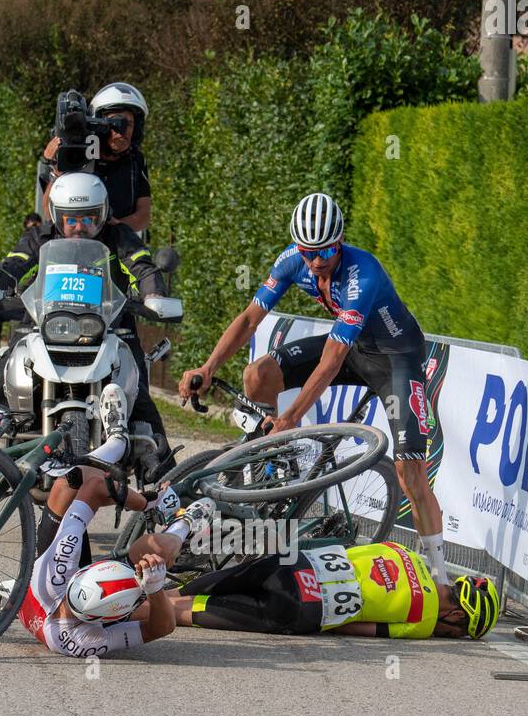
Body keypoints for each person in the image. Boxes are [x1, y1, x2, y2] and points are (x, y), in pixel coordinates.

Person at [178, 192, 450, 586]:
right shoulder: (293, 261)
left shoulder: (363, 274)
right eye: (309, 252)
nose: (318, 260)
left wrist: (289, 417)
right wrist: (207, 366)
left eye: (327, 250)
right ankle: (278, 475)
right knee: (259, 375)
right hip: (356, 347)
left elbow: (331, 361)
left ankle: (440, 579)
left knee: (411, 473)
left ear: (340, 241)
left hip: (396, 358)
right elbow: (250, 318)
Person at [0, 173, 172, 469]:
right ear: (57, 216)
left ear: (102, 214)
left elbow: (142, 266)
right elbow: (13, 264)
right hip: (43, 324)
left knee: (137, 389)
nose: (80, 226)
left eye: (89, 218)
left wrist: (154, 293)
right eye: (72, 219)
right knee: (0, 379)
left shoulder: (119, 237)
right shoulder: (38, 238)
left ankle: (162, 476)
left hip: (110, 325)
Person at [0, 468, 215, 659]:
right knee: (162, 564)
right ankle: (186, 523)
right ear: (104, 621)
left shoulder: (58, 566)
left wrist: (146, 502)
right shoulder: (78, 640)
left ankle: (162, 507)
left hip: (45, 583)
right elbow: (160, 628)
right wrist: (153, 590)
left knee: (67, 482)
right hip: (67, 613)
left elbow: (93, 485)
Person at [172, 539, 500, 640]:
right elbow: (359, 627)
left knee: (198, 588)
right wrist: (325, 623)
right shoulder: (425, 620)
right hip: (304, 608)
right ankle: (130, 610)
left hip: (291, 564)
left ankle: (144, 588)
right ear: (456, 614)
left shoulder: (405, 552)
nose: (455, 635)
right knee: (188, 613)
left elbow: (347, 549)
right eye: (461, 631)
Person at [40, 82, 151, 233]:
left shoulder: (136, 160)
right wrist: (54, 168)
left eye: (129, 124)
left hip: (122, 245)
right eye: (115, 123)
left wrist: (116, 229)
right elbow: (48, 215)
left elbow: (144, 215)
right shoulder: (78, 152)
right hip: (76, 242)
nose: (122, 131)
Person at [0, 212, 43, 360]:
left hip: (48, 304)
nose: (35, 230)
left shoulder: (52, 243)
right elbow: (11, 267)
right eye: (31, 227)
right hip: (30, 305)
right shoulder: (25, 246)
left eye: (37, 226)